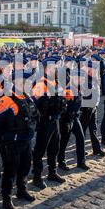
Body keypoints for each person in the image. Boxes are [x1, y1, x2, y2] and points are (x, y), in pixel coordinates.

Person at [0, 73, 39, 209]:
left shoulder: (27, 97)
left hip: (26, 141)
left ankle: (21, 190)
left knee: (25, 167)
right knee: (10, 171)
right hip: (12, 143)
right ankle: (6, 198)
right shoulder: (6, 100)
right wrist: (5, 140)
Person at [31, 57, 67, 189]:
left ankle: (52, 172)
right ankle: (37, 177)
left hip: (55, 120)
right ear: (47, 69)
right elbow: (33, 106)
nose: (57, 69)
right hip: (44, 123)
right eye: (55, 68)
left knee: (54, 148)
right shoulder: (41, 84)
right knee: (40, 151)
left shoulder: (55, 82)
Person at [57, 69, 90, 172]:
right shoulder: (69, 90)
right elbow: (64, 108)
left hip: (75, 118)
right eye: (82, 78)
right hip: (67, 119)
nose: (83, 80)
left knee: (81, 138)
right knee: (64, 141)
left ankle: (81, 162)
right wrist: (66, 120)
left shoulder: (78, 88)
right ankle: (61, 161)